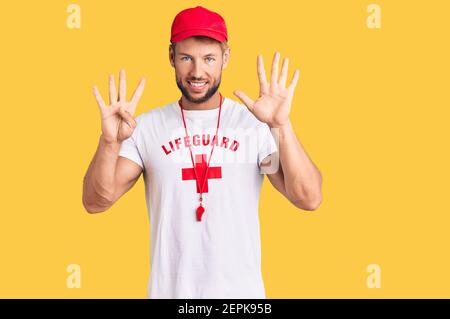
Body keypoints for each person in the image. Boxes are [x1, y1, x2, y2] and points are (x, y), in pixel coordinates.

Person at [82, 6, 323, 299]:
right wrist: (109, 143)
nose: (197, 72)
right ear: (171, 57)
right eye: (186, 58)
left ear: (226, 57)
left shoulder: (253, 127)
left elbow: (308, 197)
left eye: (209, 59)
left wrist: (281, 126)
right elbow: (96, 202)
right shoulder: (144, 128)